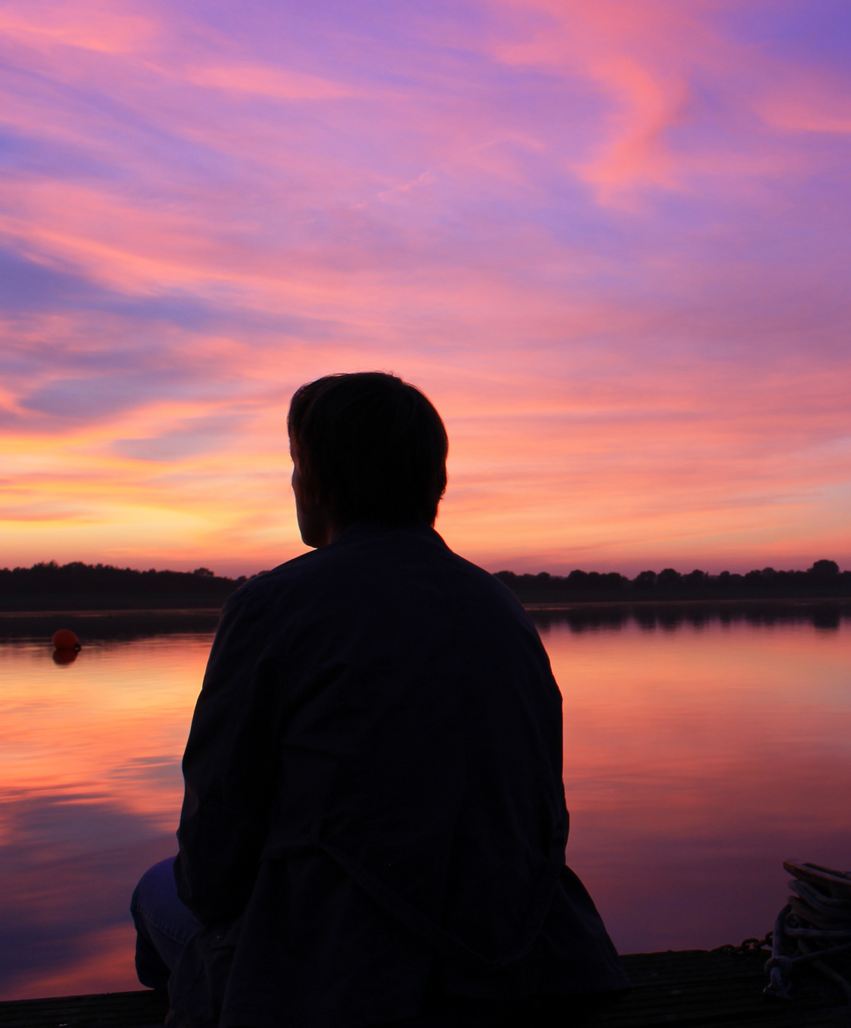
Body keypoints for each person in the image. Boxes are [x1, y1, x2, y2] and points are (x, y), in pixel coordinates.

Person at [130, 372, 627, 1027]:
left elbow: (212, 866)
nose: (292, 483)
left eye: (295, 463)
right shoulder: (501, 609)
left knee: (157, 893)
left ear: (321, 480)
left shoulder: (273, 606)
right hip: (538, 963)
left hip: (352, 985)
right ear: (432, 482)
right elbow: (542, 821)